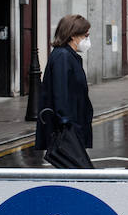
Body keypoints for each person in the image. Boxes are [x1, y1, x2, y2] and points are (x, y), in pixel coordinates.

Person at [34, 14, 94, 164]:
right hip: (68, 130)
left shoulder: (68, 56)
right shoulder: (63, 57)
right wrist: (67, 124)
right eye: (86, 35)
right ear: (73, 35)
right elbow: (60, 93)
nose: (88, 40)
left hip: (72, 126)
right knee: (77, 172)